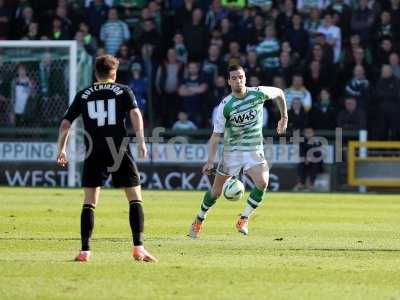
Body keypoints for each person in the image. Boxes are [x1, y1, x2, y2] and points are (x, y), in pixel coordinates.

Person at [56, 55, 157, 263]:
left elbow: (66, 123)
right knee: (135, 198)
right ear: (114, 73)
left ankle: (85, 251)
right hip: (118, 149)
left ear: (96, 73)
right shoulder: (123, 90)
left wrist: (62, 149)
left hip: (94, 150)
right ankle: (138, 248)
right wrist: (141, 141)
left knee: (90, 202)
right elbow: (136, 114)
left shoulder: (83, 94)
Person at [188, 65, 288, 238]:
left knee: (263, 183)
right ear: (229, 81)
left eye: (240, 77)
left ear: (245, 78)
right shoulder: (225, 106)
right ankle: (199, 219)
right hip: (232, 153)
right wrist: (210, 160)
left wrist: (284, 117)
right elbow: (216, 135)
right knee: (216, 193)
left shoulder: (258, 93)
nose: (238, 80)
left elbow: (279, 92)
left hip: (254, 149)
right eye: (234, 78)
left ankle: (244, 218)